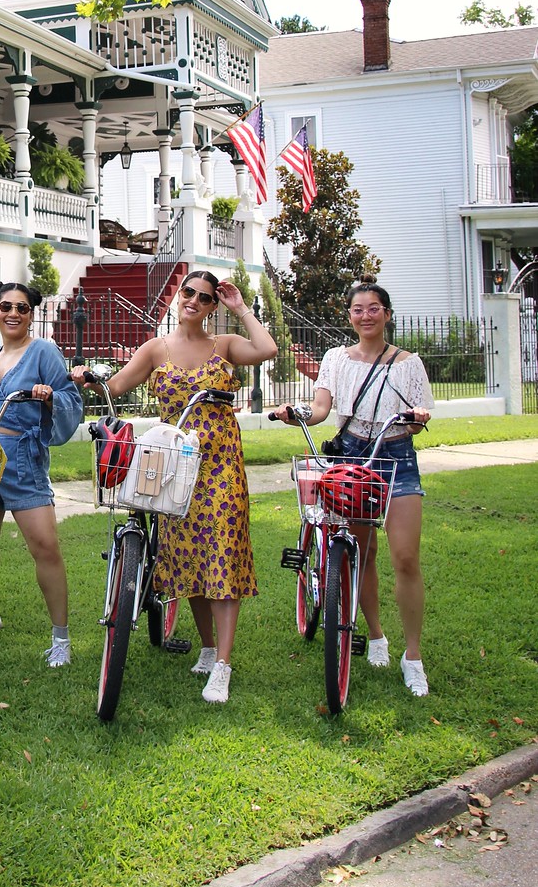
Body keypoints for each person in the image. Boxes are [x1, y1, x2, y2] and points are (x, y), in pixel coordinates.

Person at [72, 270, 277, 705]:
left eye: (205, 298)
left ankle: (222, 664)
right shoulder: (155, 348)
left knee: (221, 550)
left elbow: (266, 349)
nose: (194, 301)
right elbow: (116, 386)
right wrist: (86, 378)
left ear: (211, 306)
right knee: (190, 557)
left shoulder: (222, 346)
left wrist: (240, 307)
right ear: (179, 296)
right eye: (189, 293)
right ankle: (206, 647)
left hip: (220, 465)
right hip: (176, 467)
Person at [269, 277, 433, 696]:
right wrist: (298, 412)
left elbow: (418, 416)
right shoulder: (336, 359)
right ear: (349, 316)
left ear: (387, 314)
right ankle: (376, 635)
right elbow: (322, 407)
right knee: (361, 552)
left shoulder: (407, 363)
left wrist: (416, 417)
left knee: (406, 557)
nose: (366, 315)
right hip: (351, 456)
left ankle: (412, 656)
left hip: (395, 456)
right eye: (358, 309)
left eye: (373, 308)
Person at [0, 279, 84, 667]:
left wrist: (51, 397)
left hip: (23, 461)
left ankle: (61, 639)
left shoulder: (44, 353)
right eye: (5, 307)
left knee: (44, 546)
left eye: (22, 308)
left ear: (31, 315)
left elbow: (70, 397)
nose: (13, 313)